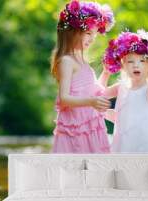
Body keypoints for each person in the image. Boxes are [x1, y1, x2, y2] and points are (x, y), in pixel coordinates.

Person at [51, 0, 114, 153]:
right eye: (88, 33)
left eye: (94, 34)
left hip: (91, 126)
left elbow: (95, 92)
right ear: (72, 31)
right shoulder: (66, 61)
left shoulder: (83, 61)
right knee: (75, 171)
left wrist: (106, 73)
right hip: (76, 129)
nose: (92, 38)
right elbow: (64, 98)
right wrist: (91, 102)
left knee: (95, 170)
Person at [103, 30, 148, 153]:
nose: (135, 65)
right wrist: (106, 73)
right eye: (130, 61)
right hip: (122, 148)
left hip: (145, 149)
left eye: (142, 61)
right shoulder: (120, 87)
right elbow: (98, 95)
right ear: (123, 65)